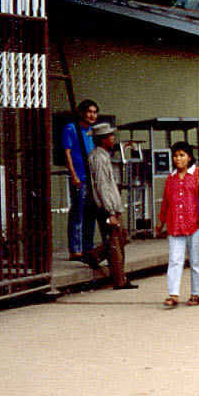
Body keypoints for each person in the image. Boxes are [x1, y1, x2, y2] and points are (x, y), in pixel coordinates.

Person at [156, 141, 199, 308]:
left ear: (190, 157)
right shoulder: (171, 178)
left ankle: (195, 294)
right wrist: (161, 221)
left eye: (182, 155)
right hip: (175, 224)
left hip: (195, 225)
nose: (178, 159)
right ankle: (173, 294)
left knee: (196, 261)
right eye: (175, 155)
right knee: (175, 260)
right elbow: (166, 201)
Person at [83, 121, 138, 290]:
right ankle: (120, 280)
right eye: (109, 136)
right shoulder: (98, 157)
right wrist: (110, 211)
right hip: (107, 207)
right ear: (102, 139)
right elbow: (102, 186)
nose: (113, 138)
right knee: (115, 243)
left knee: (121, 238)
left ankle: (94, 255)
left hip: (111, 205)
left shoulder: (103, 155)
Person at [62, 99, 98, 260]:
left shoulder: (91, 131)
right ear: (82, 113)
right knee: (78, 212)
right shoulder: (71, 128)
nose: (92, 115)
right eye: (89, 111)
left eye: (95, 112)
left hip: (91, 178)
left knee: (90, 213)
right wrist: (74, 174)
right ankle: (75, 249)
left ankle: (87, 247)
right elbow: (67, 152)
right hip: (79, 177)